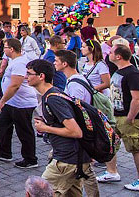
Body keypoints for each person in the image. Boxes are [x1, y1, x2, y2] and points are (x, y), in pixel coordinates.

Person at [25, 58, 99, 197]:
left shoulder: (53, 99)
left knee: (40, 193)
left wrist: (46, 128)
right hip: (73, 158)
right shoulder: (53, 94)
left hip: (66, 160)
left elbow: (75, 131)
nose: (26, 77)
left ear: (41, 76)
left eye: (29, 73)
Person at [97, 44, 139, 191]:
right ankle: (111, 171)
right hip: (117, 115)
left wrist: (130, 117)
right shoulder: (118, 71)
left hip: (130, 117)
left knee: (136, 148)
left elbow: (137, 99)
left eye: (111, 52)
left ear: (118, 56)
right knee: (111, 142)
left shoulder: (132, 73)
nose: (108, 54)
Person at [0, 38, 38, 169]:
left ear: (11, 49)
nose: (3, 50)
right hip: (12, 102)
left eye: (5, 48)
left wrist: (2, 100)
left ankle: (30, 158)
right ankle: (5, 152)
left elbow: (15, 84)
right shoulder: (14, 61)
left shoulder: (20, 63)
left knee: (24, 130)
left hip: (22, 103)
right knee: (3, 124)